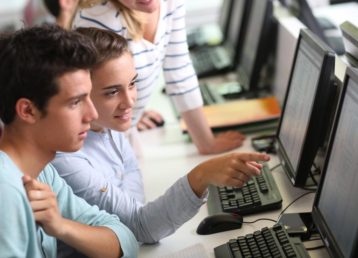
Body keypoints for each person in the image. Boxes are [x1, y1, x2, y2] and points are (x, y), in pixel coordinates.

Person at [52, 27, 271, 244]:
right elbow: (142, 227)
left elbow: (131, 175)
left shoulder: (108, 124)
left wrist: (129, 210)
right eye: (112, 92)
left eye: (132, 83)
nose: (130, 102)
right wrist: (201, 176)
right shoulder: (67, 158)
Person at [0, 25, 138, 257]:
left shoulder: (42, 172)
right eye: (75, 102)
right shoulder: (6, 191)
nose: (92, 115)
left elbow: (125, 239)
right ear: (28, 110)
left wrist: (61, 226)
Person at [72, 0, 246, 155]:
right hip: (96, 143)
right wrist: (124, 114)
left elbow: (179, 69)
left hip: (123, 134)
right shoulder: (98, 17)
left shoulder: (171, 4)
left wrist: (206, 143)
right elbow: (86, 93)